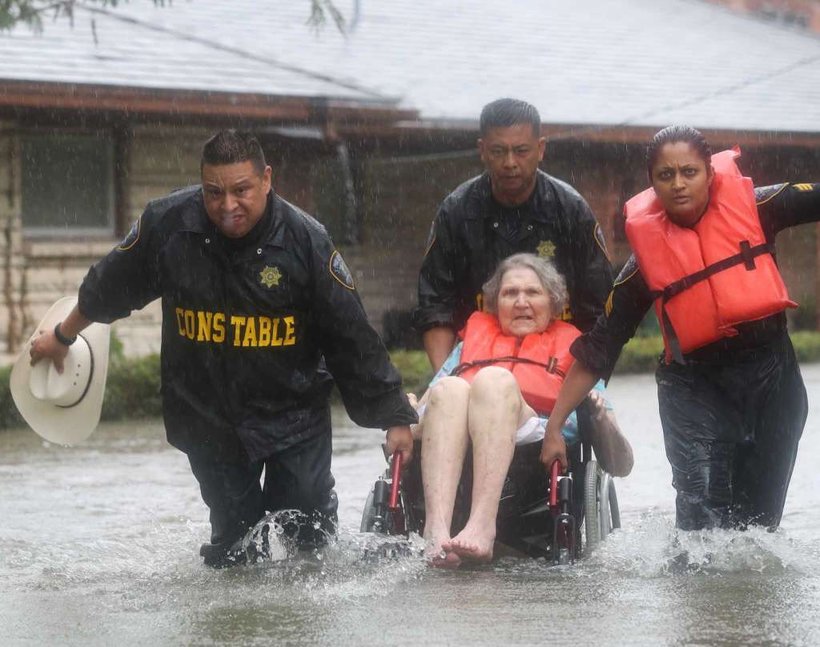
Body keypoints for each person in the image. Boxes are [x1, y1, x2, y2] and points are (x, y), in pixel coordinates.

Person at [28, 129, 417, 567]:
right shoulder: (168, 224)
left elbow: (351, 336)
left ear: (266, 179)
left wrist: (394, 416)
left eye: (241, 191)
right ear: (201, 185)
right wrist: (63, 336)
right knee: (236, 548)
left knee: (310, 541)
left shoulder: (306, 240)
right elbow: (108, 287)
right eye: (214, 192)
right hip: (207, 414)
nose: (227, 206)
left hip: (292, 414)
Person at [542, 125, 820, 531]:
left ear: (710, 172)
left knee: (758, 526)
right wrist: (554, 426)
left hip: (772, 381)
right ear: (652, 183)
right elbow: (599, 348)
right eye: (665, 175)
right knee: (701, 525)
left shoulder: (760, 207)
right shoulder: (642, 267)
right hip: (694, 390)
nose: (678, 184)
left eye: (689, 172)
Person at [412, 253, 630, 567]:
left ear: (554, 303)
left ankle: (482, 525)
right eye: (510, 293)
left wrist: (598, 417)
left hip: (536, 439)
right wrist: (404, 415)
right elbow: (427, 407)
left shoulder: (576, 350)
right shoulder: (466, 347)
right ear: (494, 303)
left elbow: (622, 465)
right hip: (461, 437)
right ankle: (436, 528)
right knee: (448, 388)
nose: (521, 302)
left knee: (493, 381)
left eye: (533, 293)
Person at [414, 97, 613, 371]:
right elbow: (435, 306)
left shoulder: (571, 211)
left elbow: (599, 310)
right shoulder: (456, 212)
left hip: (558, 364)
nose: (510, 163)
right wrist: (446, 380)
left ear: (540, 149)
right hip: (476, 361)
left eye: (521, 151)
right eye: (498, 151)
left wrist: (584, 385)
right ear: (482, 150)